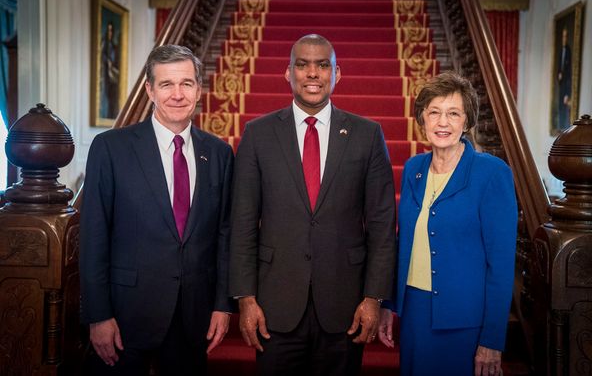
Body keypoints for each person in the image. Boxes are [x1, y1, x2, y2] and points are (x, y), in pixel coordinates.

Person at [229, 34, 396, 376]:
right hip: (273, 307)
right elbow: (243, 223)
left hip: (345, 306)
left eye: (323, 65)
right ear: (288, 73)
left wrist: (374, 298)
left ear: (337, 74)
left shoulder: (367, 134)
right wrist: (245, 298)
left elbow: (381, 225)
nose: (313, 73)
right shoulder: (257, 134)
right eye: (302, 65)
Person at [80, 44, 234, 375]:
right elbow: (94, 236)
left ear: (198, 88)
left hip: (194, 316)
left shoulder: (219, 153)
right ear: (150, 89)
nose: (177, 95)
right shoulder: (111, 148)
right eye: (166, 84)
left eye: (186, 84)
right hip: (125, 316)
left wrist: (223, 305)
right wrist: (98, 314)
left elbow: (225, 235)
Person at [378, 72, 518, 376]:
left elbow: (502, 264)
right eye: (434, 112)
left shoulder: (492, 173)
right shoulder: (414, 167)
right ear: (423, 119)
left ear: (467, 122)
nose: (443, 123)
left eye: (453, 113)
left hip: (464, 320)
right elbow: (403, 243)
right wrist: (389, 304)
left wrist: (492, 339)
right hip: (414, 312)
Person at [100, 22, 120, 119]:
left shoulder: (115, 47)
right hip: (105, 77)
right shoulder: (103, 46)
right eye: (108, 31)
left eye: (111, 31)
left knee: (113, 99)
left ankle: (110, 114)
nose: (110, 33)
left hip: (112, 77)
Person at [556, 27, 572, 131]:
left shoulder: (569, 52)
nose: (564, 38)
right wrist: (559, 75)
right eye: (563, 36)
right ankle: (560, 127)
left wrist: (567, 93)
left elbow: (569, 74)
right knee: (560, 107)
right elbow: (559, 69)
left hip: (566, 86)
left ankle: (564, 128)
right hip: (561, 85)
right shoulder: (561, 51)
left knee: (565, 107)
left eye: (566, 36)